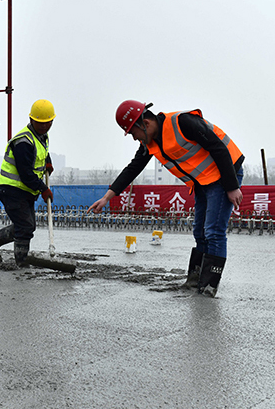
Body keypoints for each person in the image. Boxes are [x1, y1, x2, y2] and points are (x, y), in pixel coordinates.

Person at [88, 100, 244, 297]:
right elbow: (133, 168)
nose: (134, 138)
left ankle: (209, 287)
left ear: (145, 124)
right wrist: (107, 197)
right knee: (200, 232)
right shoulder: (150, 142)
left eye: (133, 133)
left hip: (225, 174)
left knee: (213, 231)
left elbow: (219, 148)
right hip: (203, 181)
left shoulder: (183, 122)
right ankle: (196, 281)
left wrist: (231, 186)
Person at [0, 99, 56, 267]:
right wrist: (43, 188)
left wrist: (47, 161)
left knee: (27, 226)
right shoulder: (23, 142)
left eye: (47, 123)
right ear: (31, 119)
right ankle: (21, 262)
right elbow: (26, 173)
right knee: (25, 227)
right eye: (40, 123)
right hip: (12, 190)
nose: (43, 126)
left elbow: (42, 152)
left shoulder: (42, 136)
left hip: (25, 191)